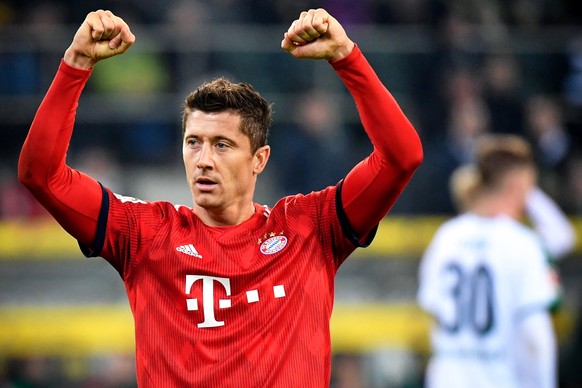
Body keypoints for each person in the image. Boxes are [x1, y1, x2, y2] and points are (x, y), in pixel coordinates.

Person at [18, 8, 423, 386]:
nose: (203, 160)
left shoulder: (310, 227)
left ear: (259, 159)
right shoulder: (144, 233)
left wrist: (347, 57)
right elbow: (41, 175)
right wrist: (75, 65)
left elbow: (402, 157)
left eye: (222, 144)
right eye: (193, 142)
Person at [417, 134, 558, 388]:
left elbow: (433, 321)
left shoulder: (446, 237)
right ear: (516, 185)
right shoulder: (522, 243)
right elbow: (536, 339)